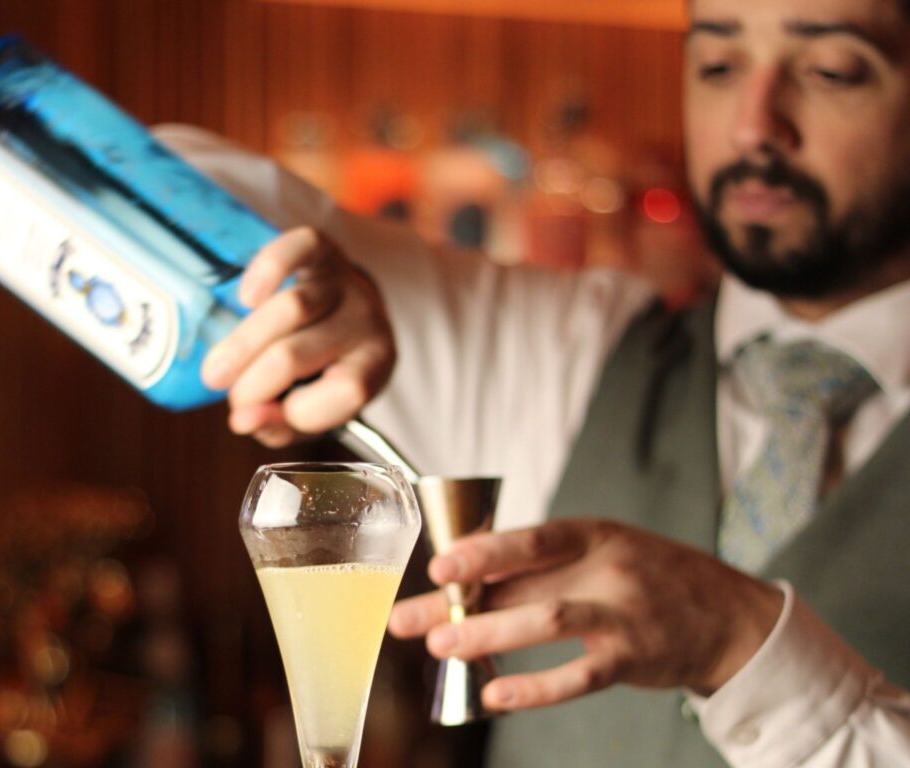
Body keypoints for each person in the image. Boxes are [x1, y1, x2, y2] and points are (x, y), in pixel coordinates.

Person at [154, 0, 910, 764]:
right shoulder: (558, 348)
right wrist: (271, 268)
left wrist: (741, 643)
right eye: (719, 64)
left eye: (831, 71)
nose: (753, 125)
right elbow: (139, 177)